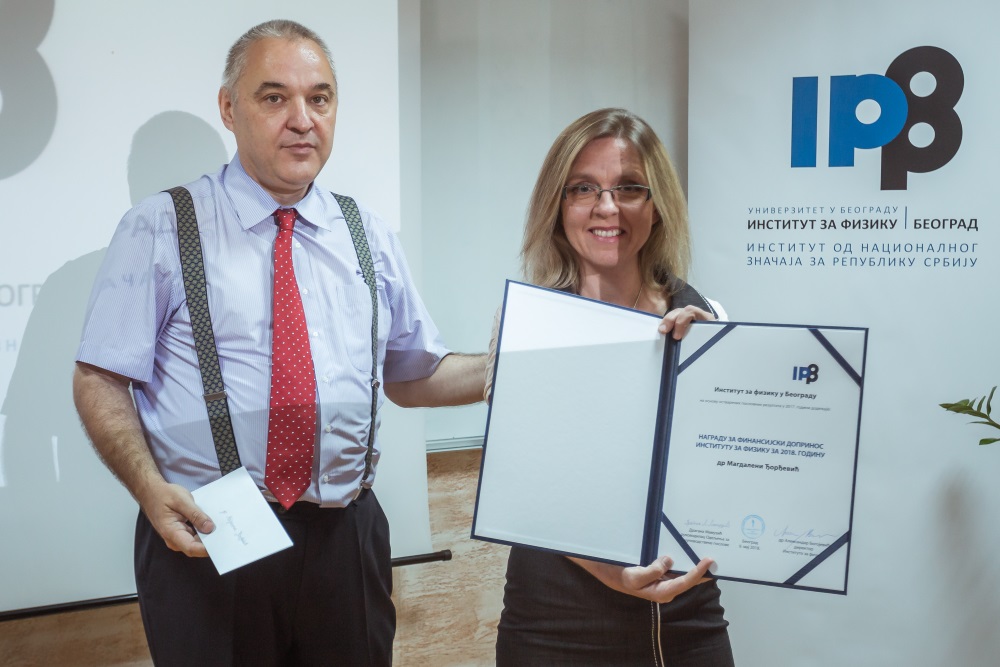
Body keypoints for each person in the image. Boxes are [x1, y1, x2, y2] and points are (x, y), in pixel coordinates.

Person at [73, 19, 484, 667]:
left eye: (319, 98)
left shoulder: (367, 233)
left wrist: (511, 367)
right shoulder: (161, 226)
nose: (302, 119)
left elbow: (413, 374)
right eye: (274, 97)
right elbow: (100, 377)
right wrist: (148, 487)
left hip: (347, 538)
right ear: (228, 109)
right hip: (211, 536)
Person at [490, 108, 734, 666]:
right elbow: (526, 488)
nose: (607, 207)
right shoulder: (528, 324)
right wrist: (611, 572)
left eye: (629, 188)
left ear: (657, 204)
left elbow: (724, 472)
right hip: (553, 622)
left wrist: (708, 367)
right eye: (583, 189)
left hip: (687, 616)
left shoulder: (706, 320)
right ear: (558, 206)